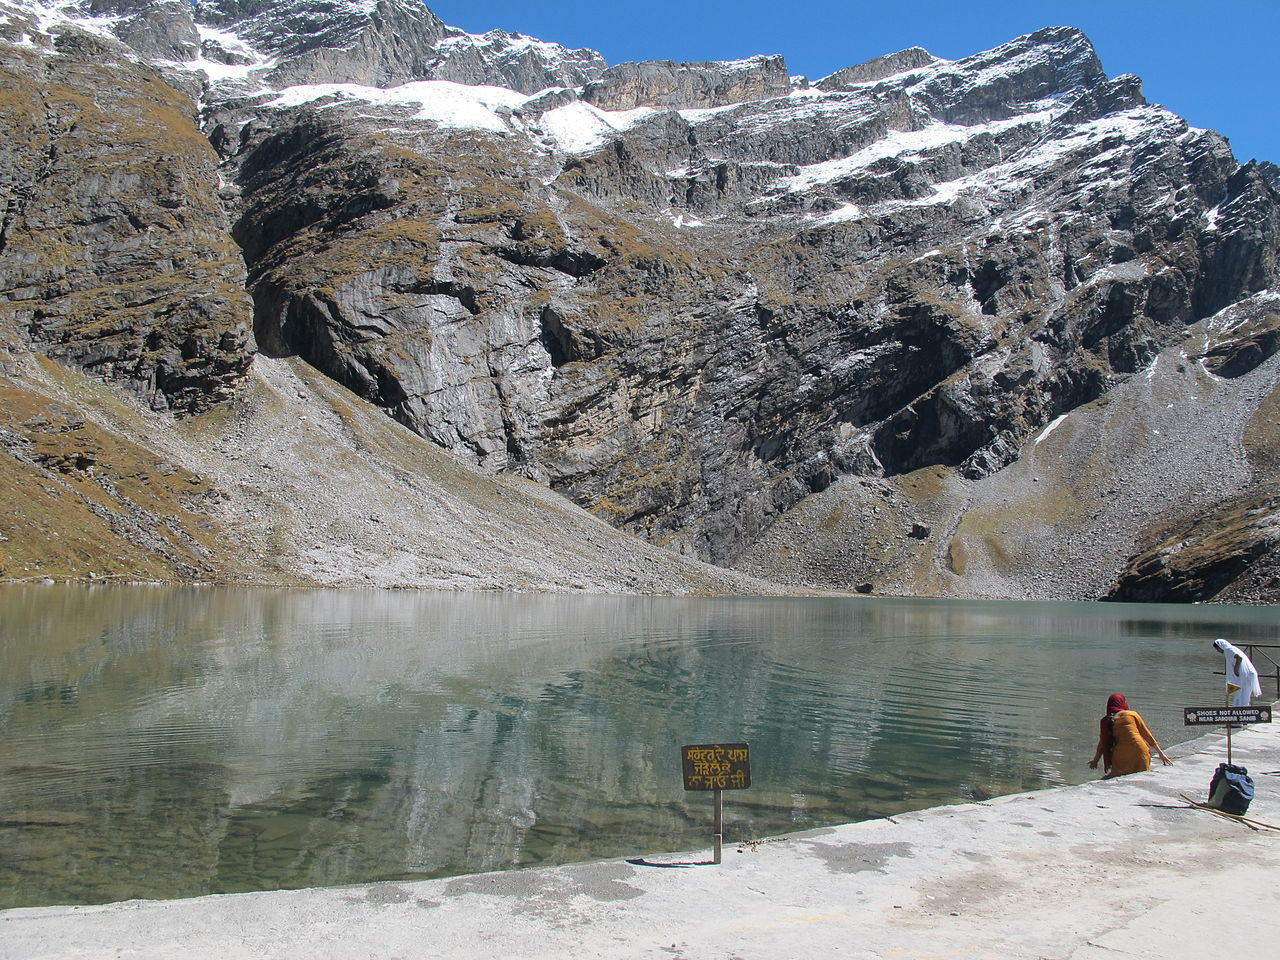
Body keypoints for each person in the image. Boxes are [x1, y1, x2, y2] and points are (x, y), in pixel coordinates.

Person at [1089, 693, 1172, 778]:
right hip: (1139, 753)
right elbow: (1147, 735)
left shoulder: (1105, 721)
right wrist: (1161, 754)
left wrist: (1095, 761)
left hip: (1120, 757)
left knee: (1114, 778)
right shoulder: (1132, 714)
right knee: (1141, 778)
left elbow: (1103, 743)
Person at [1213, 639, 1261, 707]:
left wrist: (1236, 669)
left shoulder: (1228, 650)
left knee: (1240, 694)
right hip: (1246, 675)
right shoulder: (1231, 649)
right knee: (1244, 695)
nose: (1217, 651)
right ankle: (1243, 708)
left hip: (1244, 675)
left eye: (1217, 649)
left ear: (1221, 646)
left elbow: (1239, 657)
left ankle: (1239, 709)